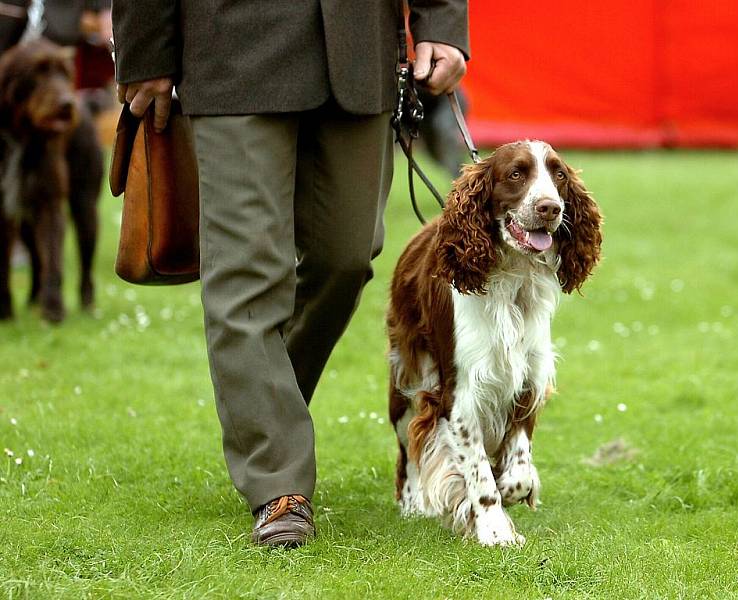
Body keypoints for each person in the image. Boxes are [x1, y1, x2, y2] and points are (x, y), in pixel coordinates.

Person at [111, 1, 469, 548]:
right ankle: (278, 484)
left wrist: (440, 24)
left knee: (346, 260)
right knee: (248, 273)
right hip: (231, 52)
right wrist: (145, 51)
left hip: (359, 56)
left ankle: (259, 406)